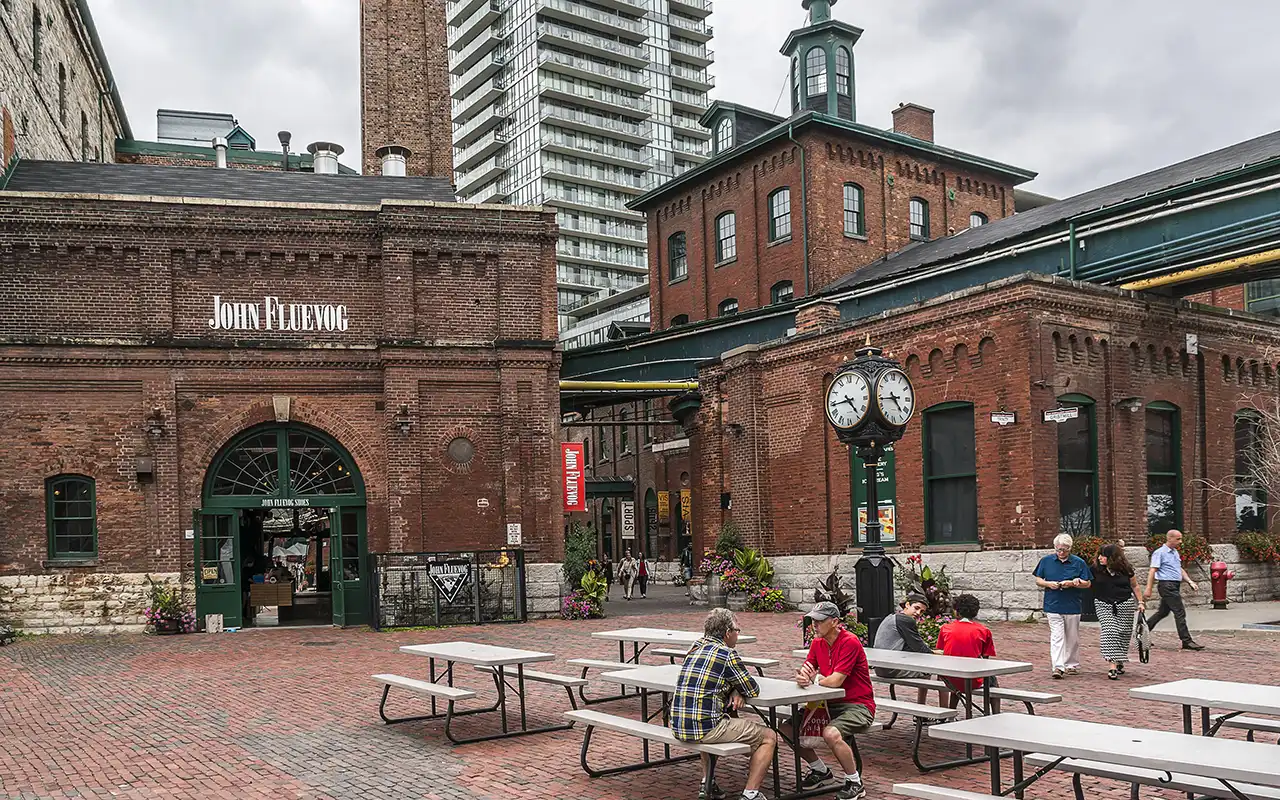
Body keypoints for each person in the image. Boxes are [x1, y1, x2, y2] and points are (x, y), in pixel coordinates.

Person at [670, 608, 776, 800]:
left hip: (679, 725)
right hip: (705, 728)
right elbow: (752, 689)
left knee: (706, 718)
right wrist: (737, 688)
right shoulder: (726, 654)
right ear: (727, 632)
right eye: (737, 630)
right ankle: (750, 794)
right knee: (769, 736)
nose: (738, 633)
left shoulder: (694, 647)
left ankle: (707, 783)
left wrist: (734, 689)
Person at [794, 601, 875, 800]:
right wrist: (803, 676)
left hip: (858, 705)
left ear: (835, 622)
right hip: (826, 703)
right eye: (813, 620)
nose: (814, 624)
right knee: (786, 728)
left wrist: (816, 678)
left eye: (820, 621)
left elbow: (836, 681)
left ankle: (854, 782)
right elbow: (807, 670)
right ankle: (820, 770)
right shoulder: (817, 643)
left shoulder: (850, 641)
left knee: (831, 733)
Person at [1033, 533, 1093, 678]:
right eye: (1058, 549)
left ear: (1070, 549)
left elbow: (1088, 583)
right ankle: (1058, 667)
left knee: (1072, 637)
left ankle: (1071, 664)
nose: (1061, 553)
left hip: (1072, 604)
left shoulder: (1078, 562)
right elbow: (1038, 580)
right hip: (1053, 604)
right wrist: (1048, 583)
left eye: (1064, 550)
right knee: (1057, 636)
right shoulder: (1046, 561)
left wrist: (1074, 582)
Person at [871, 593, 940, 705]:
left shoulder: (891, 617)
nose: (918, 613)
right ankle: (921, 712)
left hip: (880, 668)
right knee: (927, 670)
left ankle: (921, 712)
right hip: (890, 670)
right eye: (916, 608)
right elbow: (920, 649)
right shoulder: (905, 620)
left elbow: (914, 645)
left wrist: (931, 651)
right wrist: (937, 653)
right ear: (907, 605)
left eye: (922, 612)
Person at [936, 594, 1000, 713]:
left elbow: (942, 651)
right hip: (972, 679)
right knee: (993, 681)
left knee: (958, 671)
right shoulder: (983, 631)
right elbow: (986, 658)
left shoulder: (945, 628)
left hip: (949, 679)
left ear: (957, 612)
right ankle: (996, 713)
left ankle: (951, 712)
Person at [1145, 529, 1204, 651]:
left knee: (1162, 612)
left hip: (1174, 585)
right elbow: (1152, 571)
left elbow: (1179, 569)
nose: (1180, 542)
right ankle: (1186, 641)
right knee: (1179, 612)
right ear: (1169, 538)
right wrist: (1148, 589)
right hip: (1167, 586)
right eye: (1178, 539)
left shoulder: (1175, 553)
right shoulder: (1159, 553)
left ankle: (1142, 633)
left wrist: (1190, 581)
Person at [1092, 543, 1145, 678]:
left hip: (1125, 603)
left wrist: (1140, 602)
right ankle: (1112, 665)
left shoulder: (1126, 569)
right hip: (1103, 603)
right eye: (1099, 555)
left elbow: (1135, 586)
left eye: (1103, 556)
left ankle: (1119, 659)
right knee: (1110, 630)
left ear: (1111, 558)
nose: (1099, 558)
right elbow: (1086, 581)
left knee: (1123, 633)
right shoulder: (1095, 569)